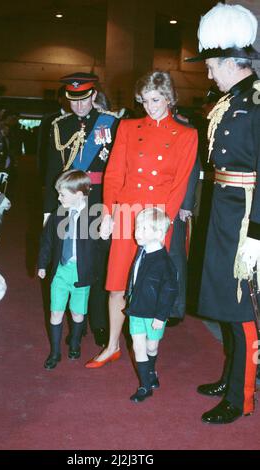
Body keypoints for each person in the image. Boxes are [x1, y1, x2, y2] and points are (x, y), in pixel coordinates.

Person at [85, 70, 198, 368]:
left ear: (169, 98)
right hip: (126, 211)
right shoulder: (127, 127)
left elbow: (181, 184)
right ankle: (111, 346)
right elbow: (114, 174)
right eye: (145, 100)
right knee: (117, 284)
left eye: (156, 99)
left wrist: (164, 224)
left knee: (150, 284)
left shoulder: (186, 134)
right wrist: (108, 212)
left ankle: (148, 353)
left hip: (157, 218)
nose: (150, 106)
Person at [185, 2, 260, 424]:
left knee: (244, 309)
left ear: (234, 63)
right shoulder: (230, 100)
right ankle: (234, 373)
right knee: (226, 303)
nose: (208, 73)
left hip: (247, 220)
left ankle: (242, 395)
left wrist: (257, 235)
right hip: (224, 213)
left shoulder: (257, 101)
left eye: (212, 65)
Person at [44, 72, 119, 348]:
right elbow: (52, 170)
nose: (78, 106)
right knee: (66, 261)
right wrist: (47, 212)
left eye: (84, 100)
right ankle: (76, 321)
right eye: (73, 101)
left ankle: (97, 321)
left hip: (98, 200)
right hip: (67, 202)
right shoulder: (57, 126)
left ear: (93, 96)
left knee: (96, 263)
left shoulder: (111, 124)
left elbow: (115, 167)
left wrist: (112, 208)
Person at [38, 169, 100, 369]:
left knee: (78, 315)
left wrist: (108, 232)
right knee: (55, 312)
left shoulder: (94, 216)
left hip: (81, 274)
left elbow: (102, 247)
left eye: (62, 194)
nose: (58, 197)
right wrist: (42, 264)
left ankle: (75, 341)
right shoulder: (58, 215)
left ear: (79, 195)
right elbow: (46, 241)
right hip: (60, 271)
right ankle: (55, 352)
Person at [125, 207, 178, 402]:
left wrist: (161, 316)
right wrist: (128, 295)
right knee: (138, 347)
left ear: (158, 234)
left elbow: (170, 291)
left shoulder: (164, 262)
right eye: (137, 227)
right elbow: (135, 278)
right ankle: (145, 386)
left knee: (151, 347)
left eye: (143, 229)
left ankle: (151, 371)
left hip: (155, 314)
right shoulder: (141, 252)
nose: (137, 232)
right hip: (136, 309)